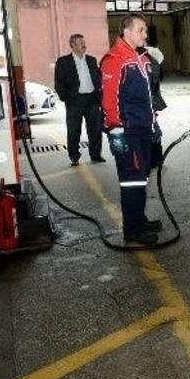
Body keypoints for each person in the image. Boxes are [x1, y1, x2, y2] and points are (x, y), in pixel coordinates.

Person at [101, 14, 162, 244]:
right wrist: (115, 129)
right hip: (127, 131)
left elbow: (148, 96)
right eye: (141, 30)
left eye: (145, 30)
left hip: (143, 128)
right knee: (132, 179)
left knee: (141, 176)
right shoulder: (115, 60)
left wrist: (154, 123)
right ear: (126, 32)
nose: (145, 35)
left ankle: (139, 219)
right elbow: (109, 99)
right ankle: (133, 229)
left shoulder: (141, 58)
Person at [54, 34, 105, 166]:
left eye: (84, 41)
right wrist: (66, 98)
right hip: (74, 102)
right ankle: (74, 156)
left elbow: (98, 79)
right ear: (73, 45)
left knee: (95, 130)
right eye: (80, 42)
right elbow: (59, 83)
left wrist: (99, 95)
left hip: (92, 100)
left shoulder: (92, 60)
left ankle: (96, 155)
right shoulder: (63, 62)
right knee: (74, 130)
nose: (84, 44)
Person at [144, 45, 167, 171]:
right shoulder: (151, 62)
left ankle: (154, 160)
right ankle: (156, 159)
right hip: (150, 102)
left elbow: (153, 84)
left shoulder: (149, 62)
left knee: (153, 131)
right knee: (154, 131)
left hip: (148, 102)